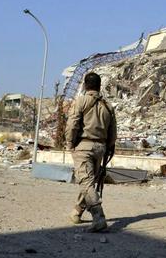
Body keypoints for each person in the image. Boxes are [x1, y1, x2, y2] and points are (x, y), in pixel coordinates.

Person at [65, 72, 117, 233]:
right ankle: (77, 212)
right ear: (99, 86)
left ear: (85, 85)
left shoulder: (81, 101)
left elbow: (72, 124)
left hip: (84, 146)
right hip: (100, 148)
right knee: (89, 182)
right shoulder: (107, 105)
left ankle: (99, 217)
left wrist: (70, 143)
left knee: (86, 182)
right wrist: (108, 147)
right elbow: (113, 132)